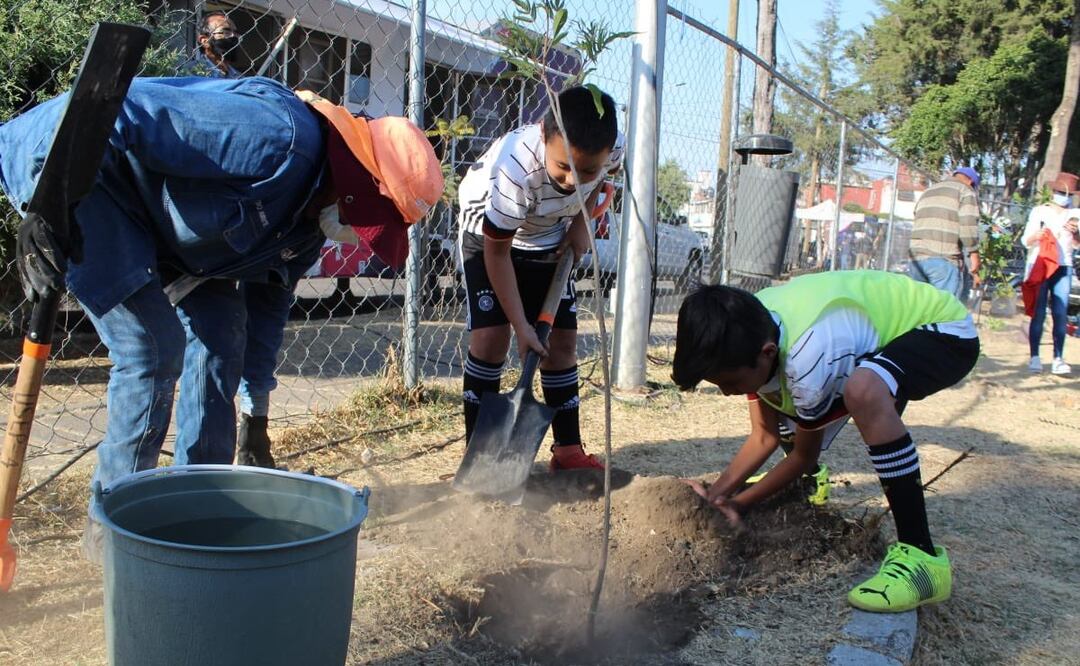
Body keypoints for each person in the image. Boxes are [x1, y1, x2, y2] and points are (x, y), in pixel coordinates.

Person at [0, 76, 442, 560]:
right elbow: (121, 107)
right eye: (369, 221)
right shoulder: (279, 136)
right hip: (79, 174)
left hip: (162, 228)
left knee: (223, 332)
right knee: (152, 347)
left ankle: (196, 509)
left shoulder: (306, 226)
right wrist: (50, 198)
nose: (360, 236)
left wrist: (256, 417)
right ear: (357, 180)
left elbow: (266, 314)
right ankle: (115, 542)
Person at [672, 270, 980, 613]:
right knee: (788, 400)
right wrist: (717, 495)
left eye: (729, 382)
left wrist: (740, 503)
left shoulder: (808, 356)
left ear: (767, 352)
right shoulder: (750, 327)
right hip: (863, 339)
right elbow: (764, 437)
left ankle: (921, 557)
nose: (726, 392)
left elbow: (804, 454)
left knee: (862, 392)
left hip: (944, 332)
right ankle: (808, 488)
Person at [456, 85, 623, 470]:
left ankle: (568, 451)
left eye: (586, 170)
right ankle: (477, 459)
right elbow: (497, 253)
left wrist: (582, 223)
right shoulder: (516, 170)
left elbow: (602, 180)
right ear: (545, 134)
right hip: (489, 235)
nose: (572, 181)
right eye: (563, 166)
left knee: (561, 342)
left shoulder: (611, 145)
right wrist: (521, 326)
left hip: (549, 234)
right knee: (491, 339)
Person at [1021, 172, 1079, 375]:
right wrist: (1035, 237)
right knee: (1038, 312)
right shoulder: (1039, 212)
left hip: (1064, 266)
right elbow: (1024, 240)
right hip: (1040, 263)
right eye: (1061, 192)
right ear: (1053, 192)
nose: (1065, 197)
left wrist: (1075, 233)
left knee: (1060, 313)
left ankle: (1058, 358)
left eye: (1068, 194)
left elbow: (1078, 244)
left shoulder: (1077, 214)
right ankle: (1035, 356)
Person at [909, 166, 981, 301]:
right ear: (971, 182)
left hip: (916, 259)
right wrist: (974, 254)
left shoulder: (929, 190)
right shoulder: (966, 191)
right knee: (944, 311)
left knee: (918, 309)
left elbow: (916, 216)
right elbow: (968, 224)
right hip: (943, 258)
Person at [182, 10, 242, 78]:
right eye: (226, 32)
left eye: (236, 33)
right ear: (205, 41)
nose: (233, 36)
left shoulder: (239, 77)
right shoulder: (190, 72)